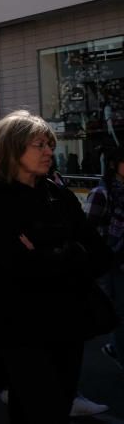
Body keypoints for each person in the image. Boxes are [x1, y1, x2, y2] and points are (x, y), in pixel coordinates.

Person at [0, 110, 112, 424]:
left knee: (54, 407)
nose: (50, 151)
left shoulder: (59, 195)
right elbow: (9, 265)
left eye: (50, 144)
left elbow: (100, 256)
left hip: (68, 322)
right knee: (39, 408)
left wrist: (49, 254)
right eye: (39, 145)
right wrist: (69, 254)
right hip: (20, 325)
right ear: (13, 149)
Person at [86, 147, 124, 373]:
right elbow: (86, 230)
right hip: (111, 262)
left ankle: (115, 348)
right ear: (113, 165)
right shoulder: (102, 193)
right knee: (119, 313)